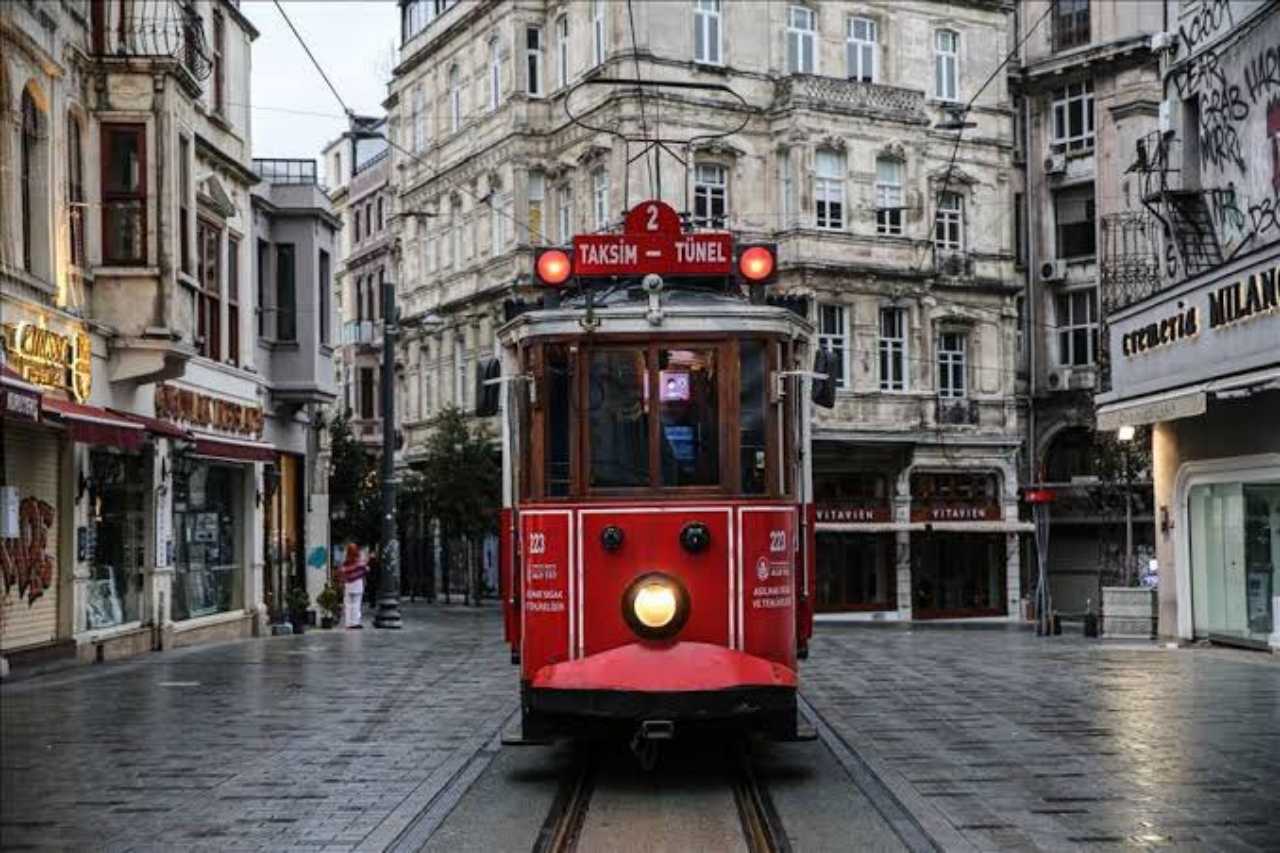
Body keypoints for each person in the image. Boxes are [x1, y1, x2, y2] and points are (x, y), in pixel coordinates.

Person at [340, 543, 368, 629]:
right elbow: (365, 569)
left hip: (348, 584)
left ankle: (348, 623)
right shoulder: (359, 561)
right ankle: (355, 622)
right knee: (357, 604)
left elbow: (343, 571)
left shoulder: (346, 561)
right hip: (357, 584)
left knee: (348, 604)